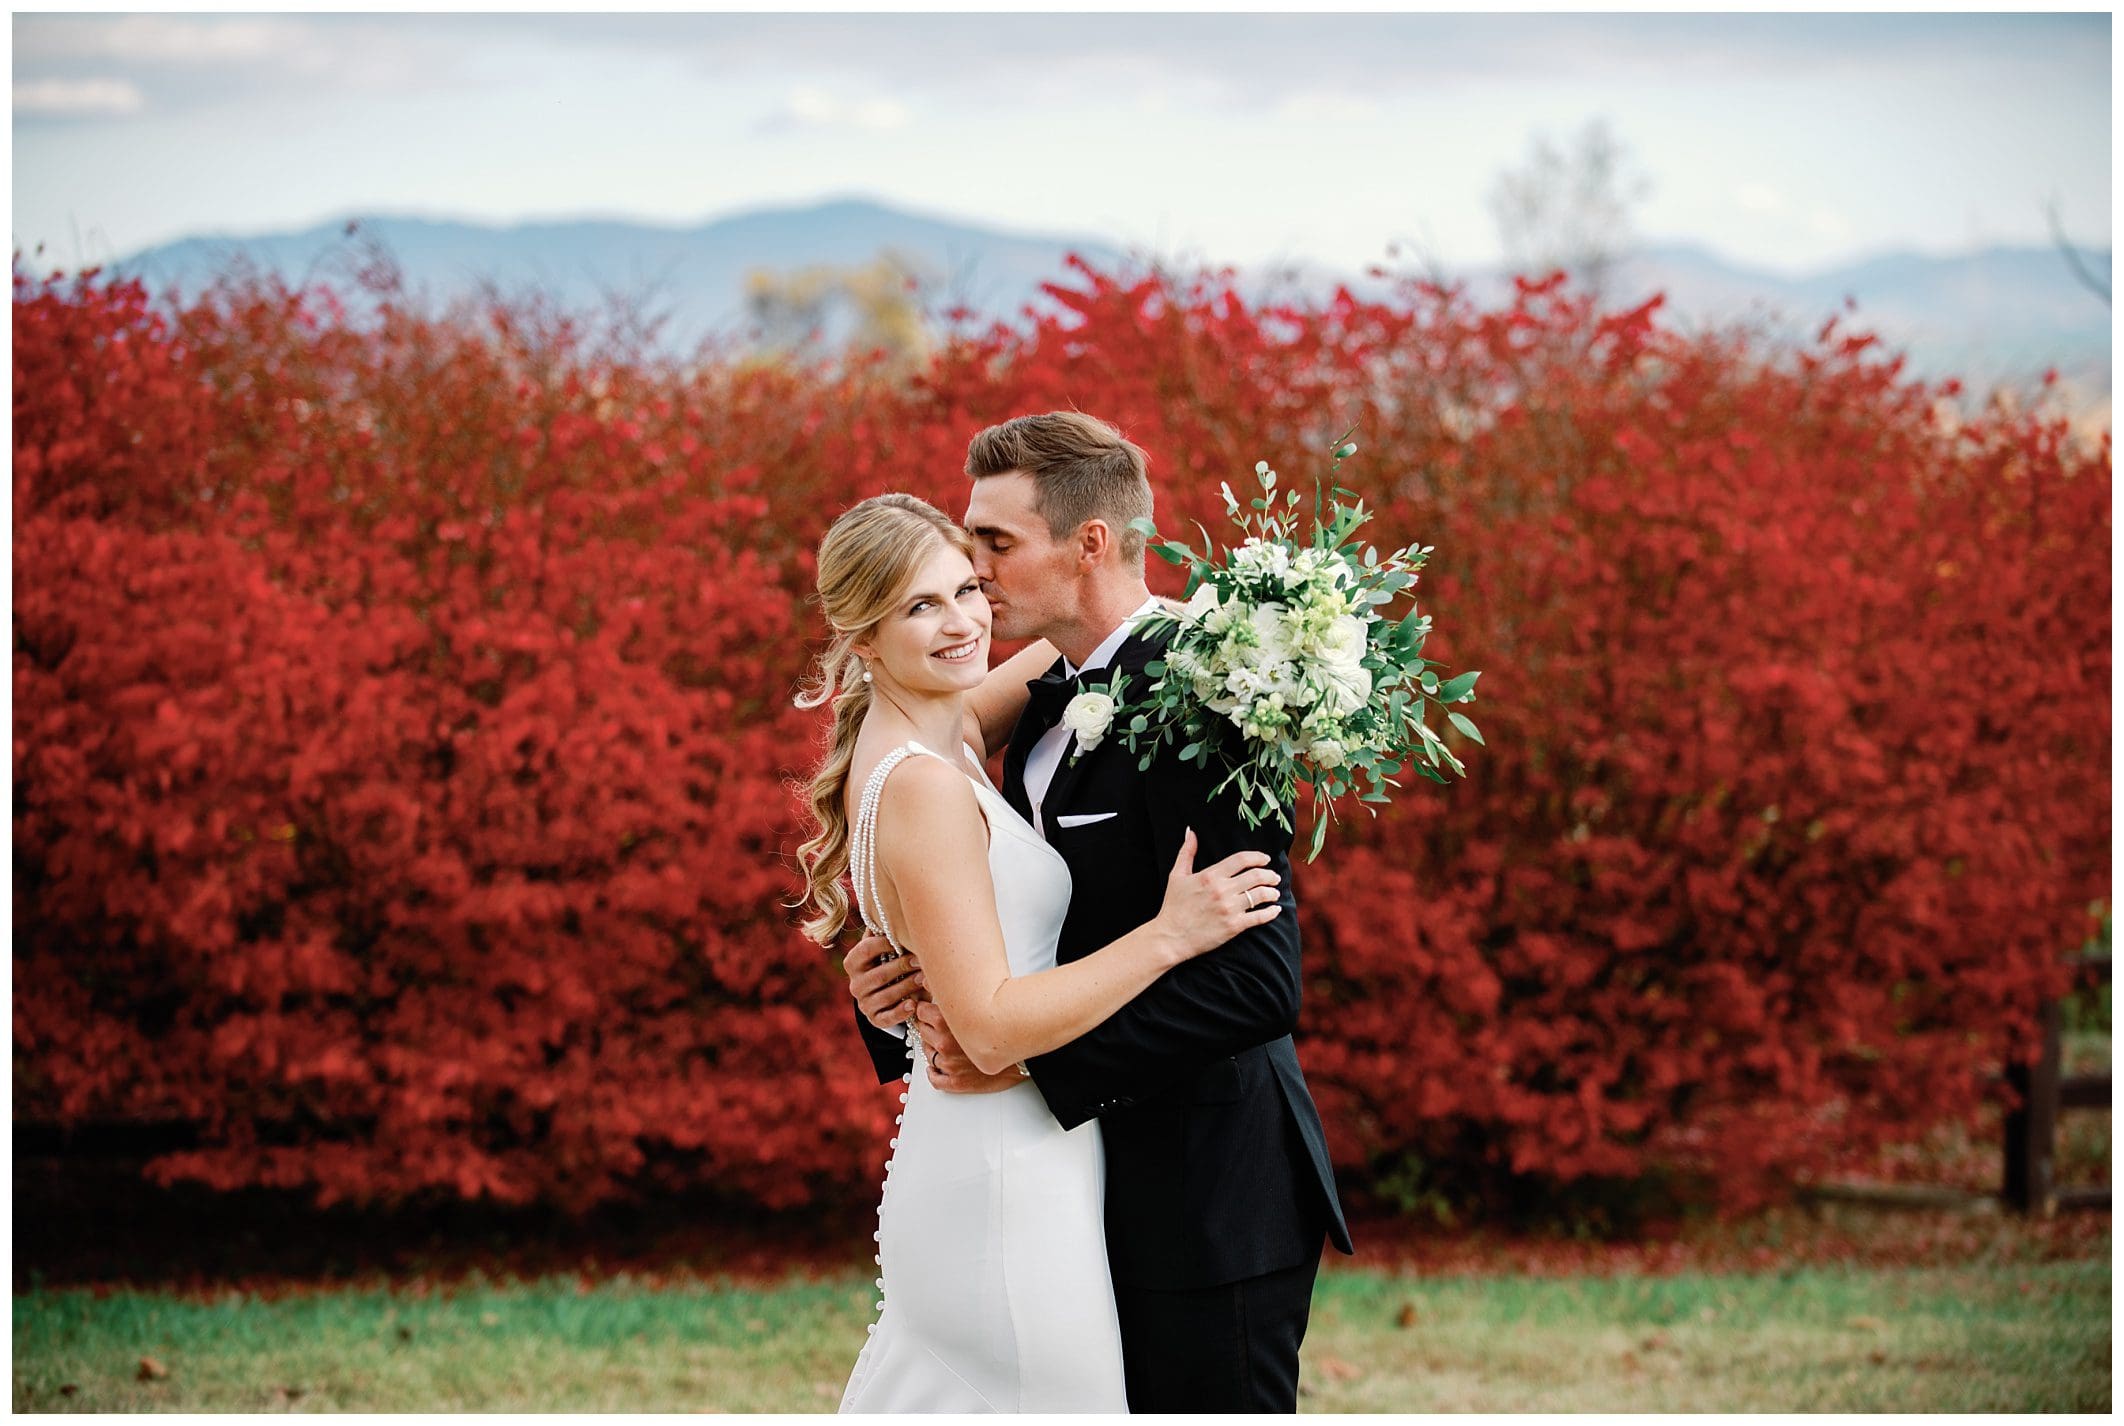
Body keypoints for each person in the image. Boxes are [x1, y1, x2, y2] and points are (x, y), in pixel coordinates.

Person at [842, 413, 1354, 1413]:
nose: (974, 571)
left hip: (1208, 1194)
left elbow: (1259, 982)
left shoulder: (1214, 701)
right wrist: (892, 1000)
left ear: (1089, 543)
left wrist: (1023, 1061)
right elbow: (977, 902)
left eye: (995, 543)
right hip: (1066, 1192)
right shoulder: (1030, 702)